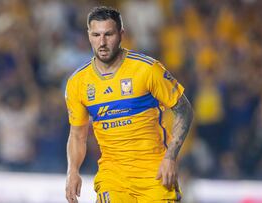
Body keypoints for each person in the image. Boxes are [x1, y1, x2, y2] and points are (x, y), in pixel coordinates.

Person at [65, 6, 193, 203]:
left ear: (121, 34)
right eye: (96, 35)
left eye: (109, 34)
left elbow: (184, 109)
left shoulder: (147, 69)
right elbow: (77, 135)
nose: (102, 42)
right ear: (88, 36)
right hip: (112, 176)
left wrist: (170, 157)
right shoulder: (78, 83)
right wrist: (72, 171)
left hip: (154, 173)